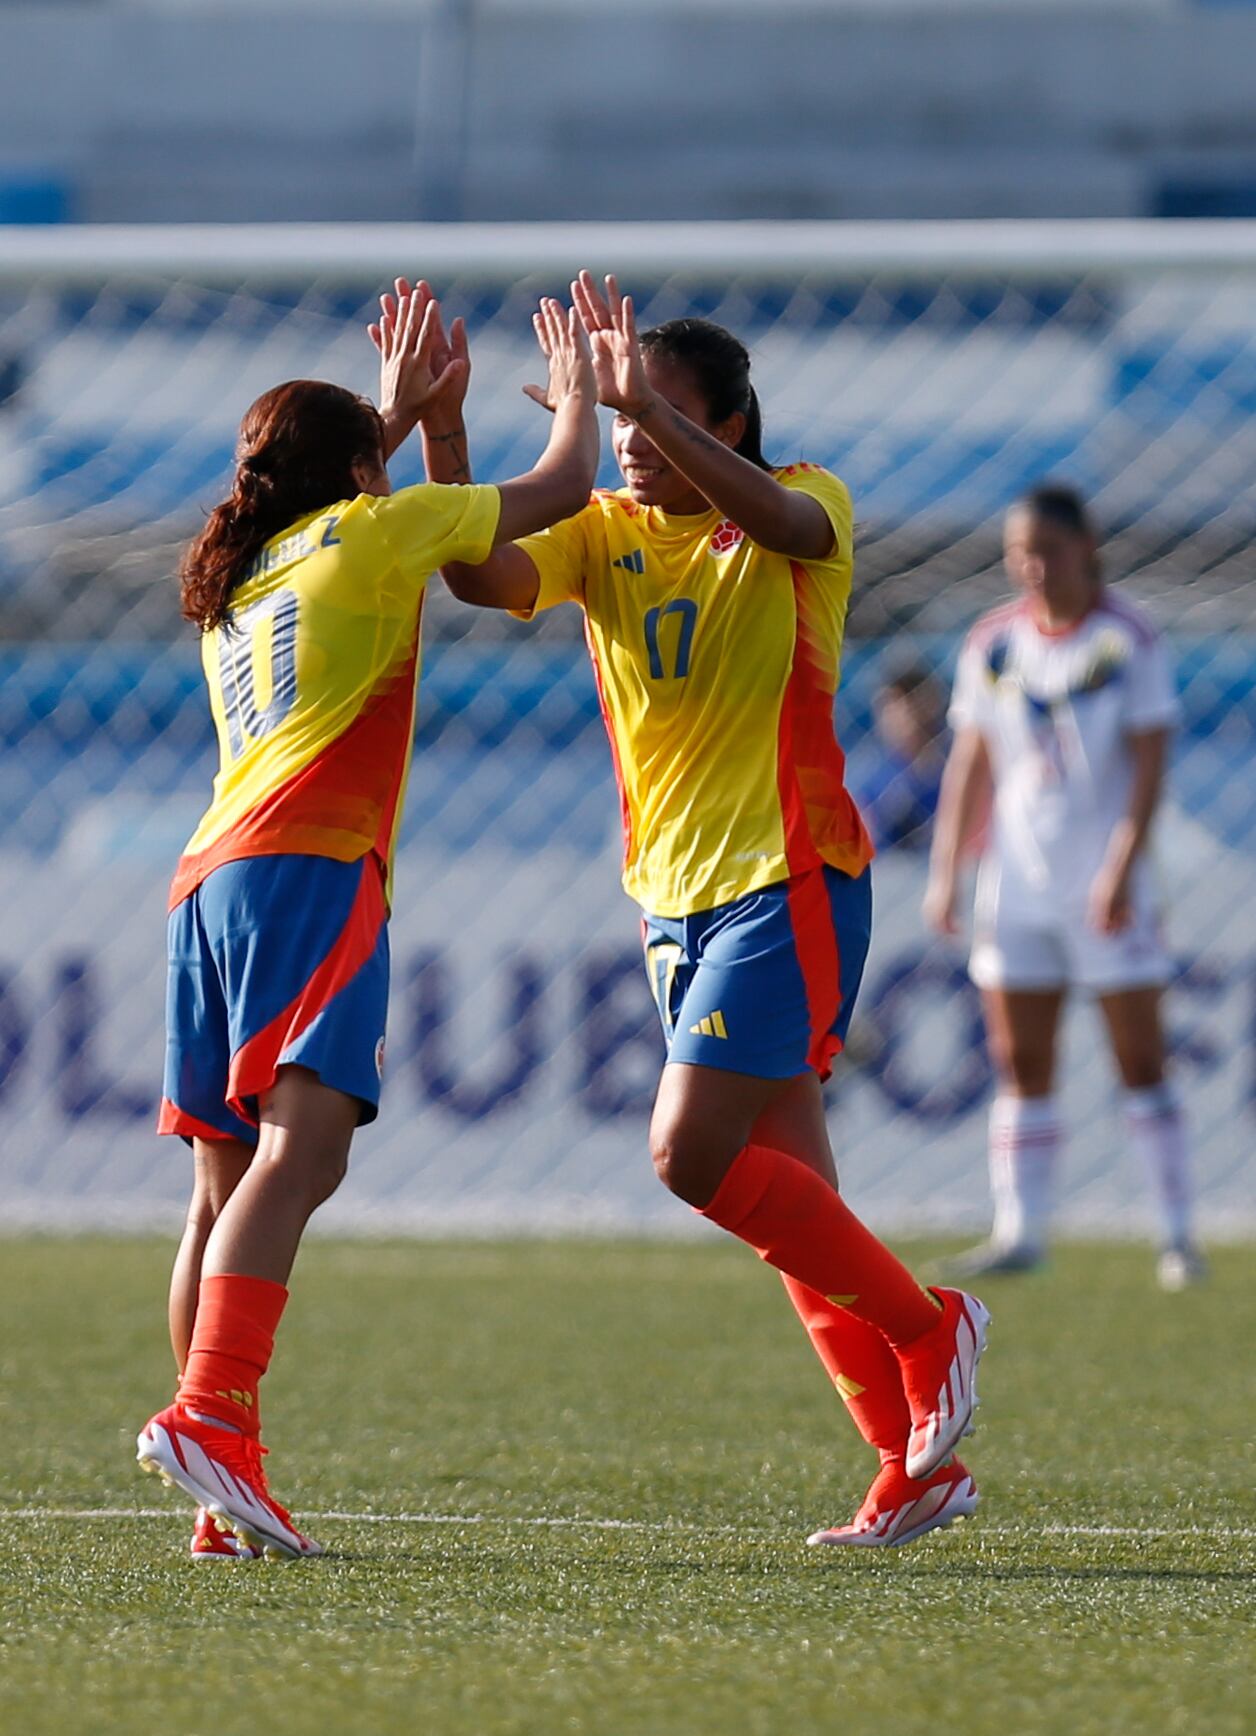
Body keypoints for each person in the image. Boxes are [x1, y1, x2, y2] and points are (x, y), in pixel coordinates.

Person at [402, 270, 990, 1549]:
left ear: (724, 423)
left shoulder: (802, 504)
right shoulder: (606, 532)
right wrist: (448, 432)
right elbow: (477, 577)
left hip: (788, 879)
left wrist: (645, 413)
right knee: (793, 1205)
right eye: (615, 416)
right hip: (670, 903)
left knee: (686, 1154)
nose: (624, 435)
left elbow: (787, 521)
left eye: (656, 413)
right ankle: (908, 1461)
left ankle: (927, 1326)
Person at [137, 285, 600, 1560]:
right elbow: (561, 486)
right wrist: (574, 389)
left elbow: (348, 506)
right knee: (308, 1152)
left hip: (205, 877)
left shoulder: (247, 571)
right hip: (310, 864)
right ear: (357, 470)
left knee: (218, 1185)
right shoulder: (378, 532)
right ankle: (215, 1417)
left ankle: (211, 1483)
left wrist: (396, 415)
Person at [924, 484, 1203, 1290]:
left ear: (1086, 548)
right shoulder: (993, 644)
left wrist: (1122, 865)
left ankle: (1177, 1235)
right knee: (1020, 1058)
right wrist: (950, 871)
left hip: (1103, 881)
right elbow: (971, 762)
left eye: (1047, 548)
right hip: (1015, 881)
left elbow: (1150, 763)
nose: (1032, 566)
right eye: (1020, 551)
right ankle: (1020, 1230)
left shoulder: (1127, 640)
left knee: (1139, 1056)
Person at [855, 658, 948, 851]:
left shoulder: (958, 766)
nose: (902, 712)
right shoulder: (873, 777)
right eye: (890, 703)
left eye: (910, 697)